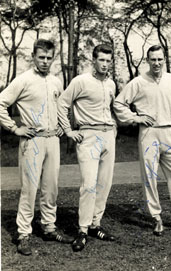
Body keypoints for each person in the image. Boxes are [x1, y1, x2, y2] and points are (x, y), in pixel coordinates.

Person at [113, 45, 171, 236]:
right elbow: (119, 103)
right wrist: (136, 118)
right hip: (148, 134)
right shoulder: (138, 82)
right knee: (150, 177)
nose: (157, 63)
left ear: (164, 60)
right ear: (148, 61)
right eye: (153, 59)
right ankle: (157, 219)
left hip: (169, 132)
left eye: (160, 59)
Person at [0, 39, 74, 256]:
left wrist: (63, 126)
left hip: (53, 140)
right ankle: (23, 233)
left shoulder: (56, 81)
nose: (44, 61)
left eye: (49, 58)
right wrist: (15, 129)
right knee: (29, 189)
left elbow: (63, 107)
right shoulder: (23, 80)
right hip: (32, 140)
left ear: (53, 59)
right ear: (33, 56)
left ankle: (49, 227)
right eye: (41, 57)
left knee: (51, 187)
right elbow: (1, 103)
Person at [57, 44, 116, 252]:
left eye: (108, 61)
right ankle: (82, 230)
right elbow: (62, 104)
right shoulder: (81, 81)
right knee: (89, 185)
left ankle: (95, 225)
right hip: (88, 136)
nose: (105, 64)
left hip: (108, 135)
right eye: (101, 60)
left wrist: (113, 130)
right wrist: (68, 131)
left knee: (104, 184)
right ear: (94, 60)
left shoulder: (111, 84)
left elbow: (110, 109)